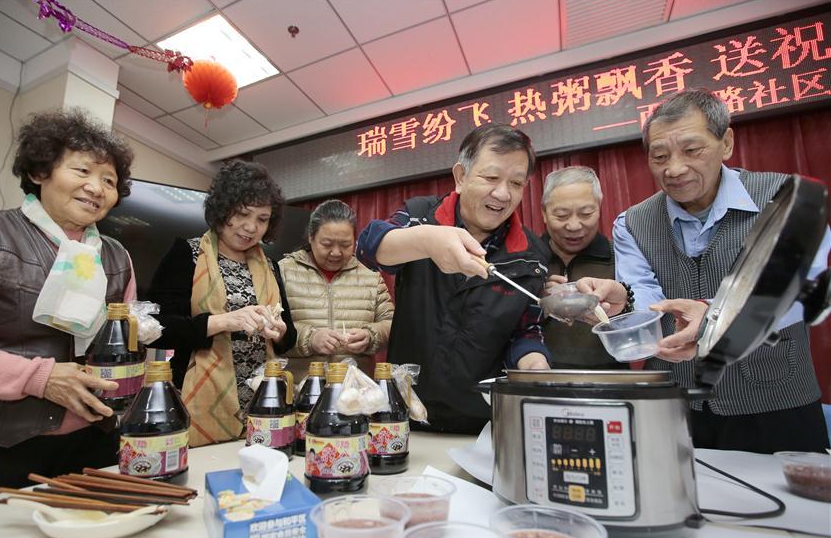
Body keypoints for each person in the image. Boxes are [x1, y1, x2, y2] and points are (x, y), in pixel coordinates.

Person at [356, 124, 629, 434]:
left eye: (516, 183)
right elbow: (368, 246)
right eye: (491, 178)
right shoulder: (421, 216)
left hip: (483, 420)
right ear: (461, 176)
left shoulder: (530, 255)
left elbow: (525, 330)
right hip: (405, 412)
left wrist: (535, 366)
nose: (502, 193)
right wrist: (427, 241)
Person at [0, 108, 137, 506]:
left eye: (108, 180)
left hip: (91, 445)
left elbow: (122, 346)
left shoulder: (118, 257)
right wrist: (39, 377)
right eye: (82, 172)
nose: (97, 188)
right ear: (41, 172)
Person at [613, 88, 831, 453]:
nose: (674, 168)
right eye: (660, 156)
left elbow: (808, 286)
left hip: (776, 401)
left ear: (726, 142)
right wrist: (624, 303)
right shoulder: (632, 222)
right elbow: (644, 295)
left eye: (692, 150)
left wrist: (717, 314)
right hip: (676, 406)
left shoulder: (784, 198)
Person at [147, 160, 296, 448]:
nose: (251, 227)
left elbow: (288, 335)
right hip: (200, 397)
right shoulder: (186, 253)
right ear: (222, 210)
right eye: (242, 213)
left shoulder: (271, 267)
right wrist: (222, 321)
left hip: (263, 399)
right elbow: (156, 328)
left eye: (262, 219)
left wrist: (279, 331)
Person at [278, 199, 393, 381]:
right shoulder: (283, 272)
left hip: (355, 392)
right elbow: (271, 324)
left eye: (345, 245)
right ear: (311, 237)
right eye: (327, 244)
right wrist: (310, 338)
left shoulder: (370, 277)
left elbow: (390, 323)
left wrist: (370, 335)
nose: (336, 253)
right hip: (299, 389)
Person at [540, 166, 630, 370]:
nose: (574, 226)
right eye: (561, 215)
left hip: (610, 379)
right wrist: (535, 302)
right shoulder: (527, 261)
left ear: (600, 208)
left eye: (586, 213)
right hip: (541, 377)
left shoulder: (621, 256)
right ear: (544, 213)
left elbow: (642, 320)